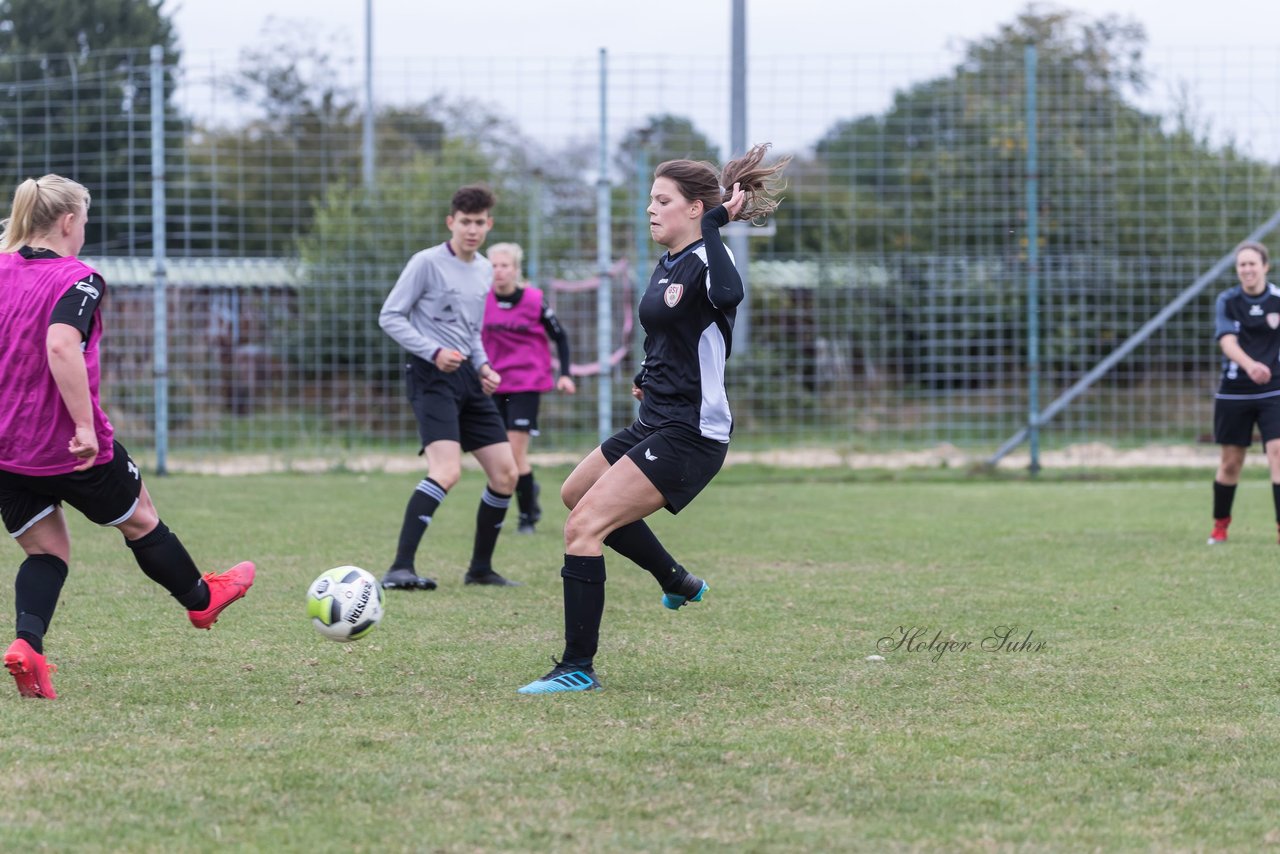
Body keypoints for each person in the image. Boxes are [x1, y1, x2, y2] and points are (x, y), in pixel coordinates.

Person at [518, 144, 790, 694]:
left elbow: (730, 295)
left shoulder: (713, 258)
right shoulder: (668, 263)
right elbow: (669, 333)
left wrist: (718, 225)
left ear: (695, 209)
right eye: (650, 199)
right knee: (576, 494)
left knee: (583, 527)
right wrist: (648, 371)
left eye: (662, 200)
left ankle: (577, 667)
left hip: (692, 431)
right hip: (656, 416)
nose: (651, 209)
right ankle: (676, 580)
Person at [0, 175, 255, 700]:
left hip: (6, 448)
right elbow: (60, 347)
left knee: (46, 552)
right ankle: (202, 598)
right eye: (85, 219)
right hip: (66, 445)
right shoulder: (80, 279)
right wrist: (86, 427)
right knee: (140, 519)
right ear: (69, 221)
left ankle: (28, 647)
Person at [378, 184, 521, 589]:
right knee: (447, 471)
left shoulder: (482, 270)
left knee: (506, 474)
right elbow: (390, 316)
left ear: (488, 225)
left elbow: (470, 331)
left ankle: (479, 569)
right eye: (465, 223)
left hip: (467, 379)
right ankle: (400, 567)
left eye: (479, 223)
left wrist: (484, 366)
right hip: (430, 375)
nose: (472, 230)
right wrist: (433, 351)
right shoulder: (426, 263)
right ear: (451, 222)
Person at [481, 242, 577, 535]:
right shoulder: (481, 300)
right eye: (493, 266)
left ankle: (526, 516)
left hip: (525, 384)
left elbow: (560, 337)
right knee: (497, 456)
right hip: (491, 384)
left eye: (504, 265)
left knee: (513, 454)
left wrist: (566, 374)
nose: (498, 271)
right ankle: (527, 492)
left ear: (516, 269)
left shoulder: (534, 300)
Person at [1207, 240, 1280, 545]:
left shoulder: (1278, 299)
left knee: (1277, 455)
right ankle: (1221, 524)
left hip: (1274, 390)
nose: (1247, 269)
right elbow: (1227, 341)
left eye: (1252, 263)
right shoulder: (1227, 300)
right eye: (1242, 265)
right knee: (1230, 463)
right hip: (1235, 391)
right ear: (1237, 270)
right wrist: (1251, 366)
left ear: (1265, 266)